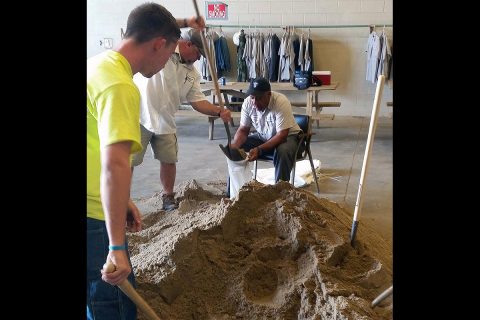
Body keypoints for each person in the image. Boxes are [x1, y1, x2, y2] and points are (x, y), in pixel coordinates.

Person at [87, 3, 205, 319]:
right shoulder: (120, 86)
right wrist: (115, 247)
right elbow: (115, 166)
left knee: (121, 293)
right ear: (157, 45)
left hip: (97, 200)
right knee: (109, 302)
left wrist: (122, 200)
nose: (168, 61)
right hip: (92, 213)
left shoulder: (98, 64)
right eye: (169, 54)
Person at [132, 28, 232, 211]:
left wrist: (218, 111)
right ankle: (121, 199)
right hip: (140, 116)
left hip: (166, 119)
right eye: (198, 53)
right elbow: (157, 23)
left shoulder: (192, 73)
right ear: (188, 44)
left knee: (169, 160)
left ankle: (168, 197)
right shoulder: (163, 49)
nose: (198, 59)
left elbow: (198, 102)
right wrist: (188, 22)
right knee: (129, 161)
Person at [226, 77, 303, 196]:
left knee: (283, 151)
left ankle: (281, 194)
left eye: (259, 98)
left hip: (288, 137)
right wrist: (234, 146)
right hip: (264, 136)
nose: (255, 102)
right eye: (252, 97)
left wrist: (259, 149)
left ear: (269, 94)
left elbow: (282, 135)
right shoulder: (248, 103)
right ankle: (232, 192)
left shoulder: (281, 102)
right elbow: (243, 130)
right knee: (234, 150)